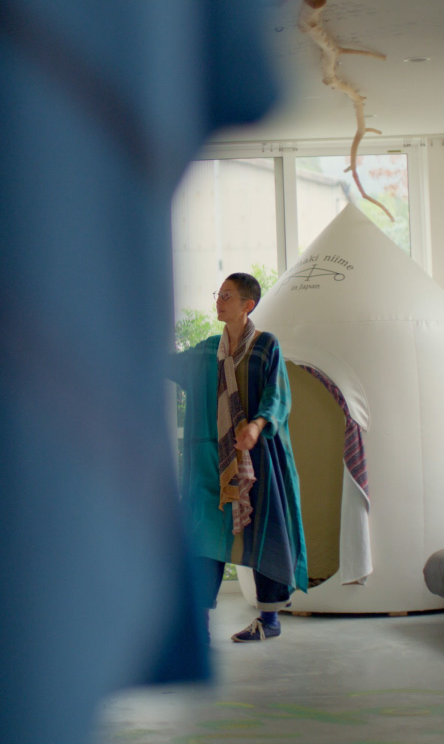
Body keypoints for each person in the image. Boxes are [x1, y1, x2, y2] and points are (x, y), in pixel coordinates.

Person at [167, 272, 308, 644]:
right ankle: (198, 624)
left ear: (248, 305)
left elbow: (278, 395)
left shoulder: (265, 346)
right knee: (203, 536)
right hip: (211, 464)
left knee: (266, 532)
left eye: (227, 295)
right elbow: (170, 365)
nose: (219, 300)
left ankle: (269, 620)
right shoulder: (207, 351)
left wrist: (257, 426)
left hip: (257, 461)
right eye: (219, 294)